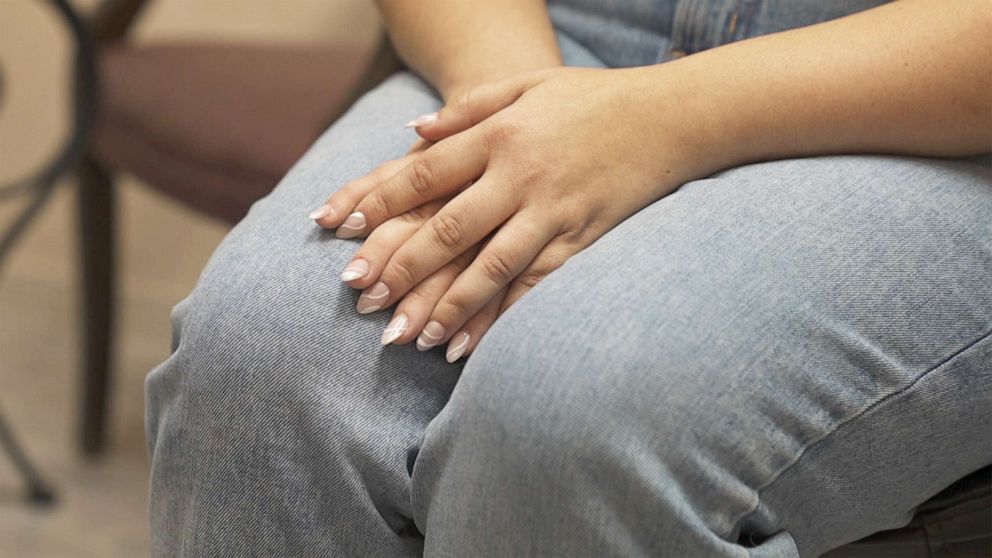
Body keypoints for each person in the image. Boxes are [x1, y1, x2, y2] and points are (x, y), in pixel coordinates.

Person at [145, 0, 991, 556]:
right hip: (552, 37)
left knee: (568, 409)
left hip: (918, 100)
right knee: (260, 355)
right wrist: (517, 117)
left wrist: (655, 121)